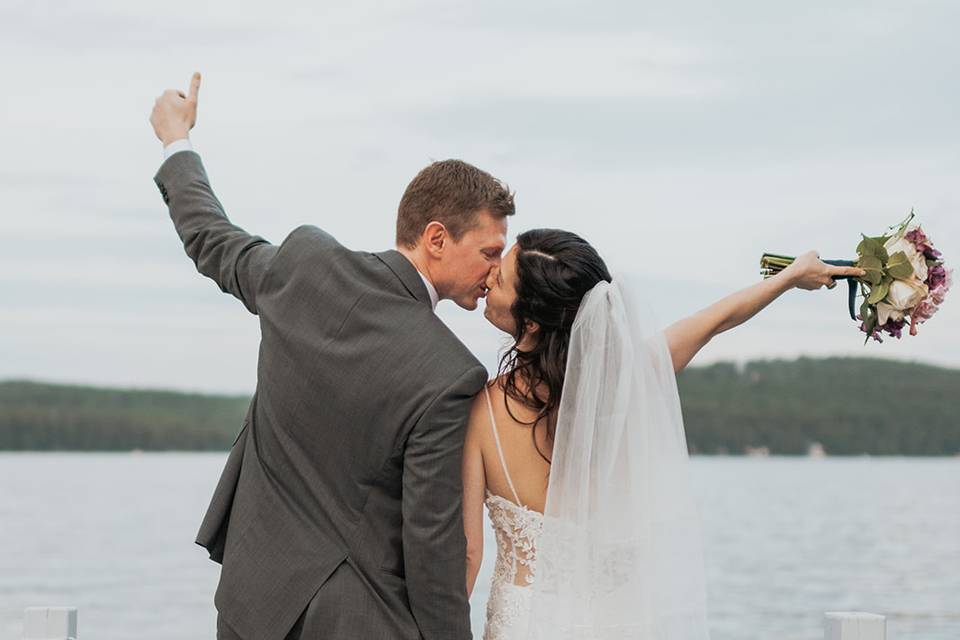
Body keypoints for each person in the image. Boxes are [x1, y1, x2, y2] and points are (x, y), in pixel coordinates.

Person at [149, 72, 513, 640]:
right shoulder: (451, 375)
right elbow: (432, 547)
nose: (496, 271)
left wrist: (176, 140)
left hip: (250, 608)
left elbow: (210, 236)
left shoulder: (303, 268)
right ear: (437, 238)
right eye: (490, 252)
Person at [462, 229, 865, 639]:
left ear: (530, 322)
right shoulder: (627, 383)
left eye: (502, 276)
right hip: (617, 621)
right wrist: (789, 277)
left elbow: (468, 553)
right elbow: (714, 321)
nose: (490, 275)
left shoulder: (482, 410)